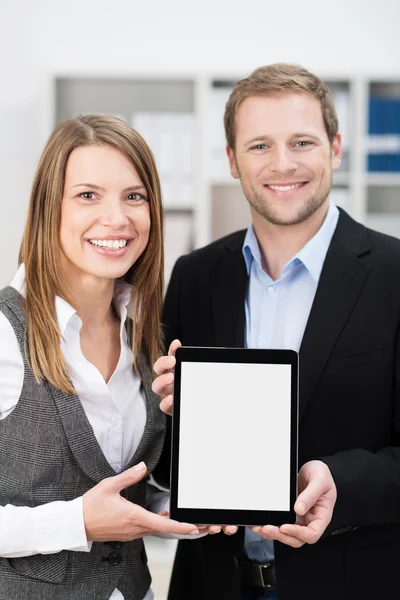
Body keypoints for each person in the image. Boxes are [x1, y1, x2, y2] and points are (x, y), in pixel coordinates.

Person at [152, 63, 400, 600]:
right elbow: (167, 467)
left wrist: (342, 483)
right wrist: (174, 414)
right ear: (233, 162)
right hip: (214, 585)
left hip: (351, 584)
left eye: (302, 141)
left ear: (335, 149)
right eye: (260, 145)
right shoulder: (194, 277)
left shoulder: (394, 274)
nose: (282, 163)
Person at [0, 114, 216, 600]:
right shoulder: (4, 334)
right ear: (48, 208)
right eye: (88, 195)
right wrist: (77, 522)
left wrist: (191, 502)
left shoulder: (147, 337)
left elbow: (133, 485)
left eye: (134, 196)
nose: (117, 218)